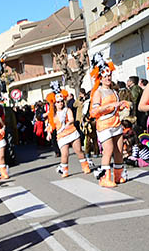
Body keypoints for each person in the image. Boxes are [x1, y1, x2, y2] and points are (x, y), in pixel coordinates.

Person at [89, 54, 129, 188]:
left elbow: (116, 106)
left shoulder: (114, 91)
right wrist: (110, 106)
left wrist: (122, 105)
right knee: (109, 149)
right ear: (100, 78)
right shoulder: (98, 93)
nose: (108, 78)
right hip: (104, 126)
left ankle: (118, 176)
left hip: (116, 123)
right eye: (105, 76)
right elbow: (94, 112)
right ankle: (105, 178)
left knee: (119, 150)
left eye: (109, 75)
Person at [47, 83, 91, 177]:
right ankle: (65, 170)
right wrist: (49, 133)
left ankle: (85, 166)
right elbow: (51, 125)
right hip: (61, 136)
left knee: (78, 150)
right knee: (64, 154)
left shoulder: (67, 110)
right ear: (54, 103)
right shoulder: (52, 114)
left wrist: (69, 123)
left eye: (62, 101)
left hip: (72, 132)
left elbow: (71, 119)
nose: (60, 103)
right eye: (58, 102)